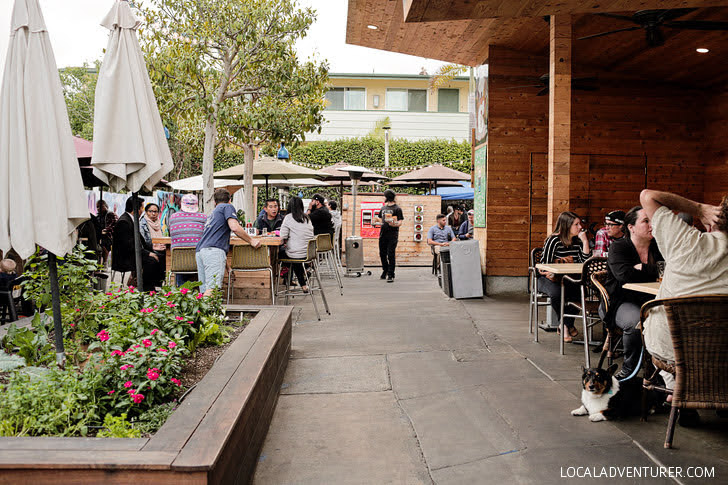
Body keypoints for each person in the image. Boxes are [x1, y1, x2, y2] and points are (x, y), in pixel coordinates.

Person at [639, 190, 728, 391]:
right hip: (722, 352)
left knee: (655, 327)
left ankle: (677, 387)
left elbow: (647, 196)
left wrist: (699, 209)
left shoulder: (685, 241)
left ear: (713, 221)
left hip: (672, 349)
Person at [602, 206, 663, 381]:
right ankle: (629, 369)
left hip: (652, 301)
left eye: (652, 220)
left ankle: (661, 373)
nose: (652, 225)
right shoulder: (619, 248)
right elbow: (624, 275)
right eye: (646, 221)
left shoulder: (657, 247)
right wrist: (654, 270)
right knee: (637, 321)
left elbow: (671, 270)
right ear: (631, 227)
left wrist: (642, 268)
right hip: (619, 302)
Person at [538, 211, 591, 342]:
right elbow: (545, 264)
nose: (580, 227)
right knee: (557, 293)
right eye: (576, 224)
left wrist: (585, 242)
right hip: (548, 279)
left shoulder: (577, 241)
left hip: (568, 278)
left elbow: (583, 262)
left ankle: (564, 324)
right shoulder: (554, 240)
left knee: (580, 292)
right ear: (566, 226)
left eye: (580, 224)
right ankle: (567, 325)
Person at [196, 188, 261, 297]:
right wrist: (251, 240)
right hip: (212, 252)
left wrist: (227, 267)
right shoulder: (227, 207)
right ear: (230, 200)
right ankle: (204, 314)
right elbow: (234, 227)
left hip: (200, 251)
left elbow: (214, 240)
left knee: (205, 291)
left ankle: (205, 313)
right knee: (212, 289)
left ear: (214, 202)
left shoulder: (213, 213)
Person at [112, 197, 161, 291]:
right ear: (136, 209)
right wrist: (147, 253)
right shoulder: (124, 222)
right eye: (142, 208)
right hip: (125, 258)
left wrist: (152, 249)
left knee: (160, 256)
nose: (142, 210)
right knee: (151, 260)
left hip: (132, 253)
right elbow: (129, 246)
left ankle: (153, 285)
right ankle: (147, 289)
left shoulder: (131, 220)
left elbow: (141, 241)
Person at [169, 194, 207, 286]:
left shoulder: (173, 217)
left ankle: (181, 293)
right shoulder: (203, 218)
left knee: (181, 265)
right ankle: (202, 294)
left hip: (178, 262)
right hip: (197, 262)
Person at [279, 197, 315, 292]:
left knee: (280, 254)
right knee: (294, 257)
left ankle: (285, 278)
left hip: (295, 254)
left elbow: (283, 236)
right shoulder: (307, 218)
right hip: (308, 253)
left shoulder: (288, 218)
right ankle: (302, 281)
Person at [376, 189, 404, 283]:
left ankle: (391, 274)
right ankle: (385, 270)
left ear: (387, 197)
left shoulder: (397, 209)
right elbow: (380, 219)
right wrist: (375, 222)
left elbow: (400, 222)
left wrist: (394, 224)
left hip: (392, 234)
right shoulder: (383, 208)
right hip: (383, 234)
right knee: (382, 254)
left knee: (391, 254)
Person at [95, 199, 117, 266]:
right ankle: (97, 263)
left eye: (101, 206)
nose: (99, 208)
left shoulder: (110, 214)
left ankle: (104, 263)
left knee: (104, 243)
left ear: (105, 206)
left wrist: (106, 230)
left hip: (110, 237)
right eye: (97, 207)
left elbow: (114, 225)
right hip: (100, 236)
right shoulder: (98, 217)